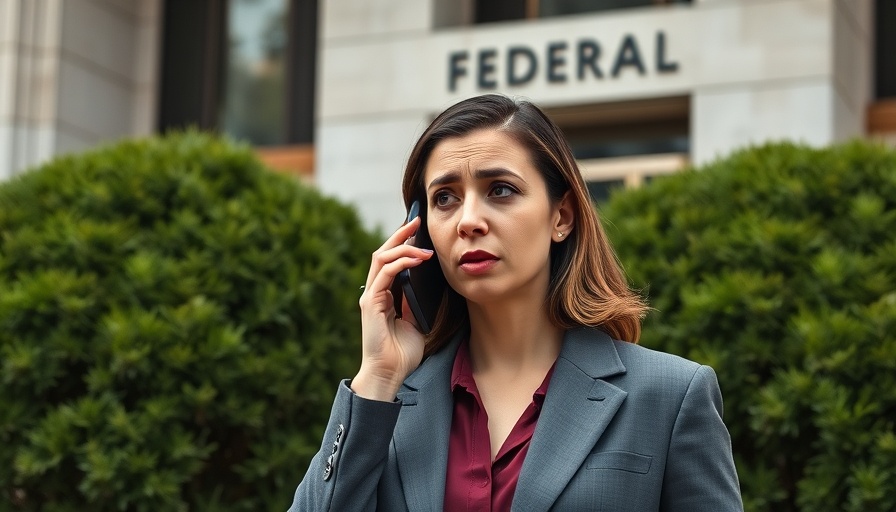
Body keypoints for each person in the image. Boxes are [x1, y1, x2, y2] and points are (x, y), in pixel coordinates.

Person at [288, 94, 742, 511]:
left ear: (561, 216)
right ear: (421, 229)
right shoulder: (384, 410)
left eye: (500, 190)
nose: (468, 221)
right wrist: (378, 378)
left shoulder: (671, 395)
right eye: (444, 198)